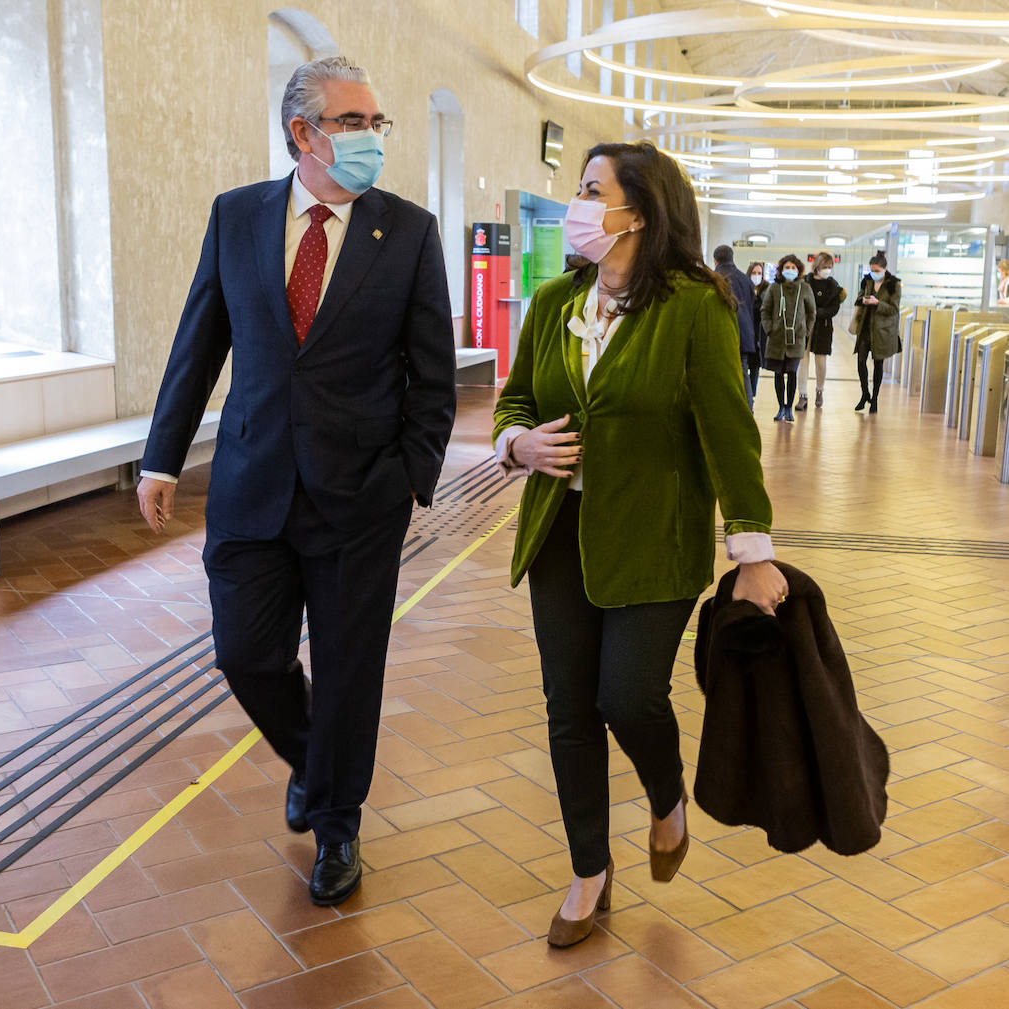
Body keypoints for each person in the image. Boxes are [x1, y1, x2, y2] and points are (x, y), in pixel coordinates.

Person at [136, 56, 457, 906]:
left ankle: (337, 825)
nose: (371, 139)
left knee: (351, 667)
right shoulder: (237, 216)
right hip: (251, 482)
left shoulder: (410, 231)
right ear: (302, 133)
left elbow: (433, 377)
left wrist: (410, 477)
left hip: (361, 497)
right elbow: (199, 341)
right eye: (354, 123)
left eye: (376, 123)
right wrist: (162, 455)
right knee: (244, 651)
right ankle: (315, 763)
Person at [492, 141, 786, 949]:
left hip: (656, 538)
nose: (578, 205)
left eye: (592, 190)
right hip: (559, 535)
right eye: (578, 188)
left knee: (626, 696)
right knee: (568, 711)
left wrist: (753, 549)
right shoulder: (556, 301)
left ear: (641, 213)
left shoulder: (696, 304)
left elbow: (730, 431)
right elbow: (513, 401)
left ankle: (666, 799)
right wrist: (516, 445)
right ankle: (590, 869)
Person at [761, 254, 816, 423]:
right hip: (777, 338)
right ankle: (780, 407)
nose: (790, 270)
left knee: (792, 372)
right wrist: (769, 329)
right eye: (787, 267)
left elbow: (811, 312)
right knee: (778, 374)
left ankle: (789, 408)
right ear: (781, 270)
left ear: (798, 270)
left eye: (793, 267)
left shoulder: (805, 288)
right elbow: (765, 310)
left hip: (796, 338)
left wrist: (805, 331)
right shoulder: (774, 288)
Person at [850, 252, 900, 414]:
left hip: (882, 331)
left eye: (877, 270)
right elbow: (858, 298)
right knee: (860, 361)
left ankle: (875, 400)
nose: (874, 273)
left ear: (885, 269)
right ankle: (865, 393)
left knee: (878, 364)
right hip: (865, 327)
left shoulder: (894, 285)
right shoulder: (867, 281)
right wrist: (863, 299)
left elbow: (894, 309)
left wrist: (878, 303)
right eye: (872, 270)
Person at [713, 245, 758, 410]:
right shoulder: (746, 279)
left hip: (722, 332)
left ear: (715, 260)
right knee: (742, 369)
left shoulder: (713, 278)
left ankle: (722, 409)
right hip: (744, 333)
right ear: (732, 258)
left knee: (717, 371)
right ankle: (748, 408)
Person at [800, 252, 846, 409]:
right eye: (825, 267)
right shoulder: (806, 281)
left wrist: (818, 312)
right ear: (817, 266)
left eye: (830, 267)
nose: (827, 270)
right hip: (805, 325)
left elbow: (834, 308)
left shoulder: (833, 286)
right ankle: (802, 394)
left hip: (824, 326)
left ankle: (820, 390)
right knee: (802, 359)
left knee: (821, 361)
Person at [746, 261, 769, 396]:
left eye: (759, 273)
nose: (756, 276)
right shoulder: (745, 288)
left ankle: (751, 396)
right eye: (754, 273)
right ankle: (745, 395)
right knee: (743, 367)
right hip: (745, 333)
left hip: (758, 335)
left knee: (755, 368)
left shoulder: (766, 291)